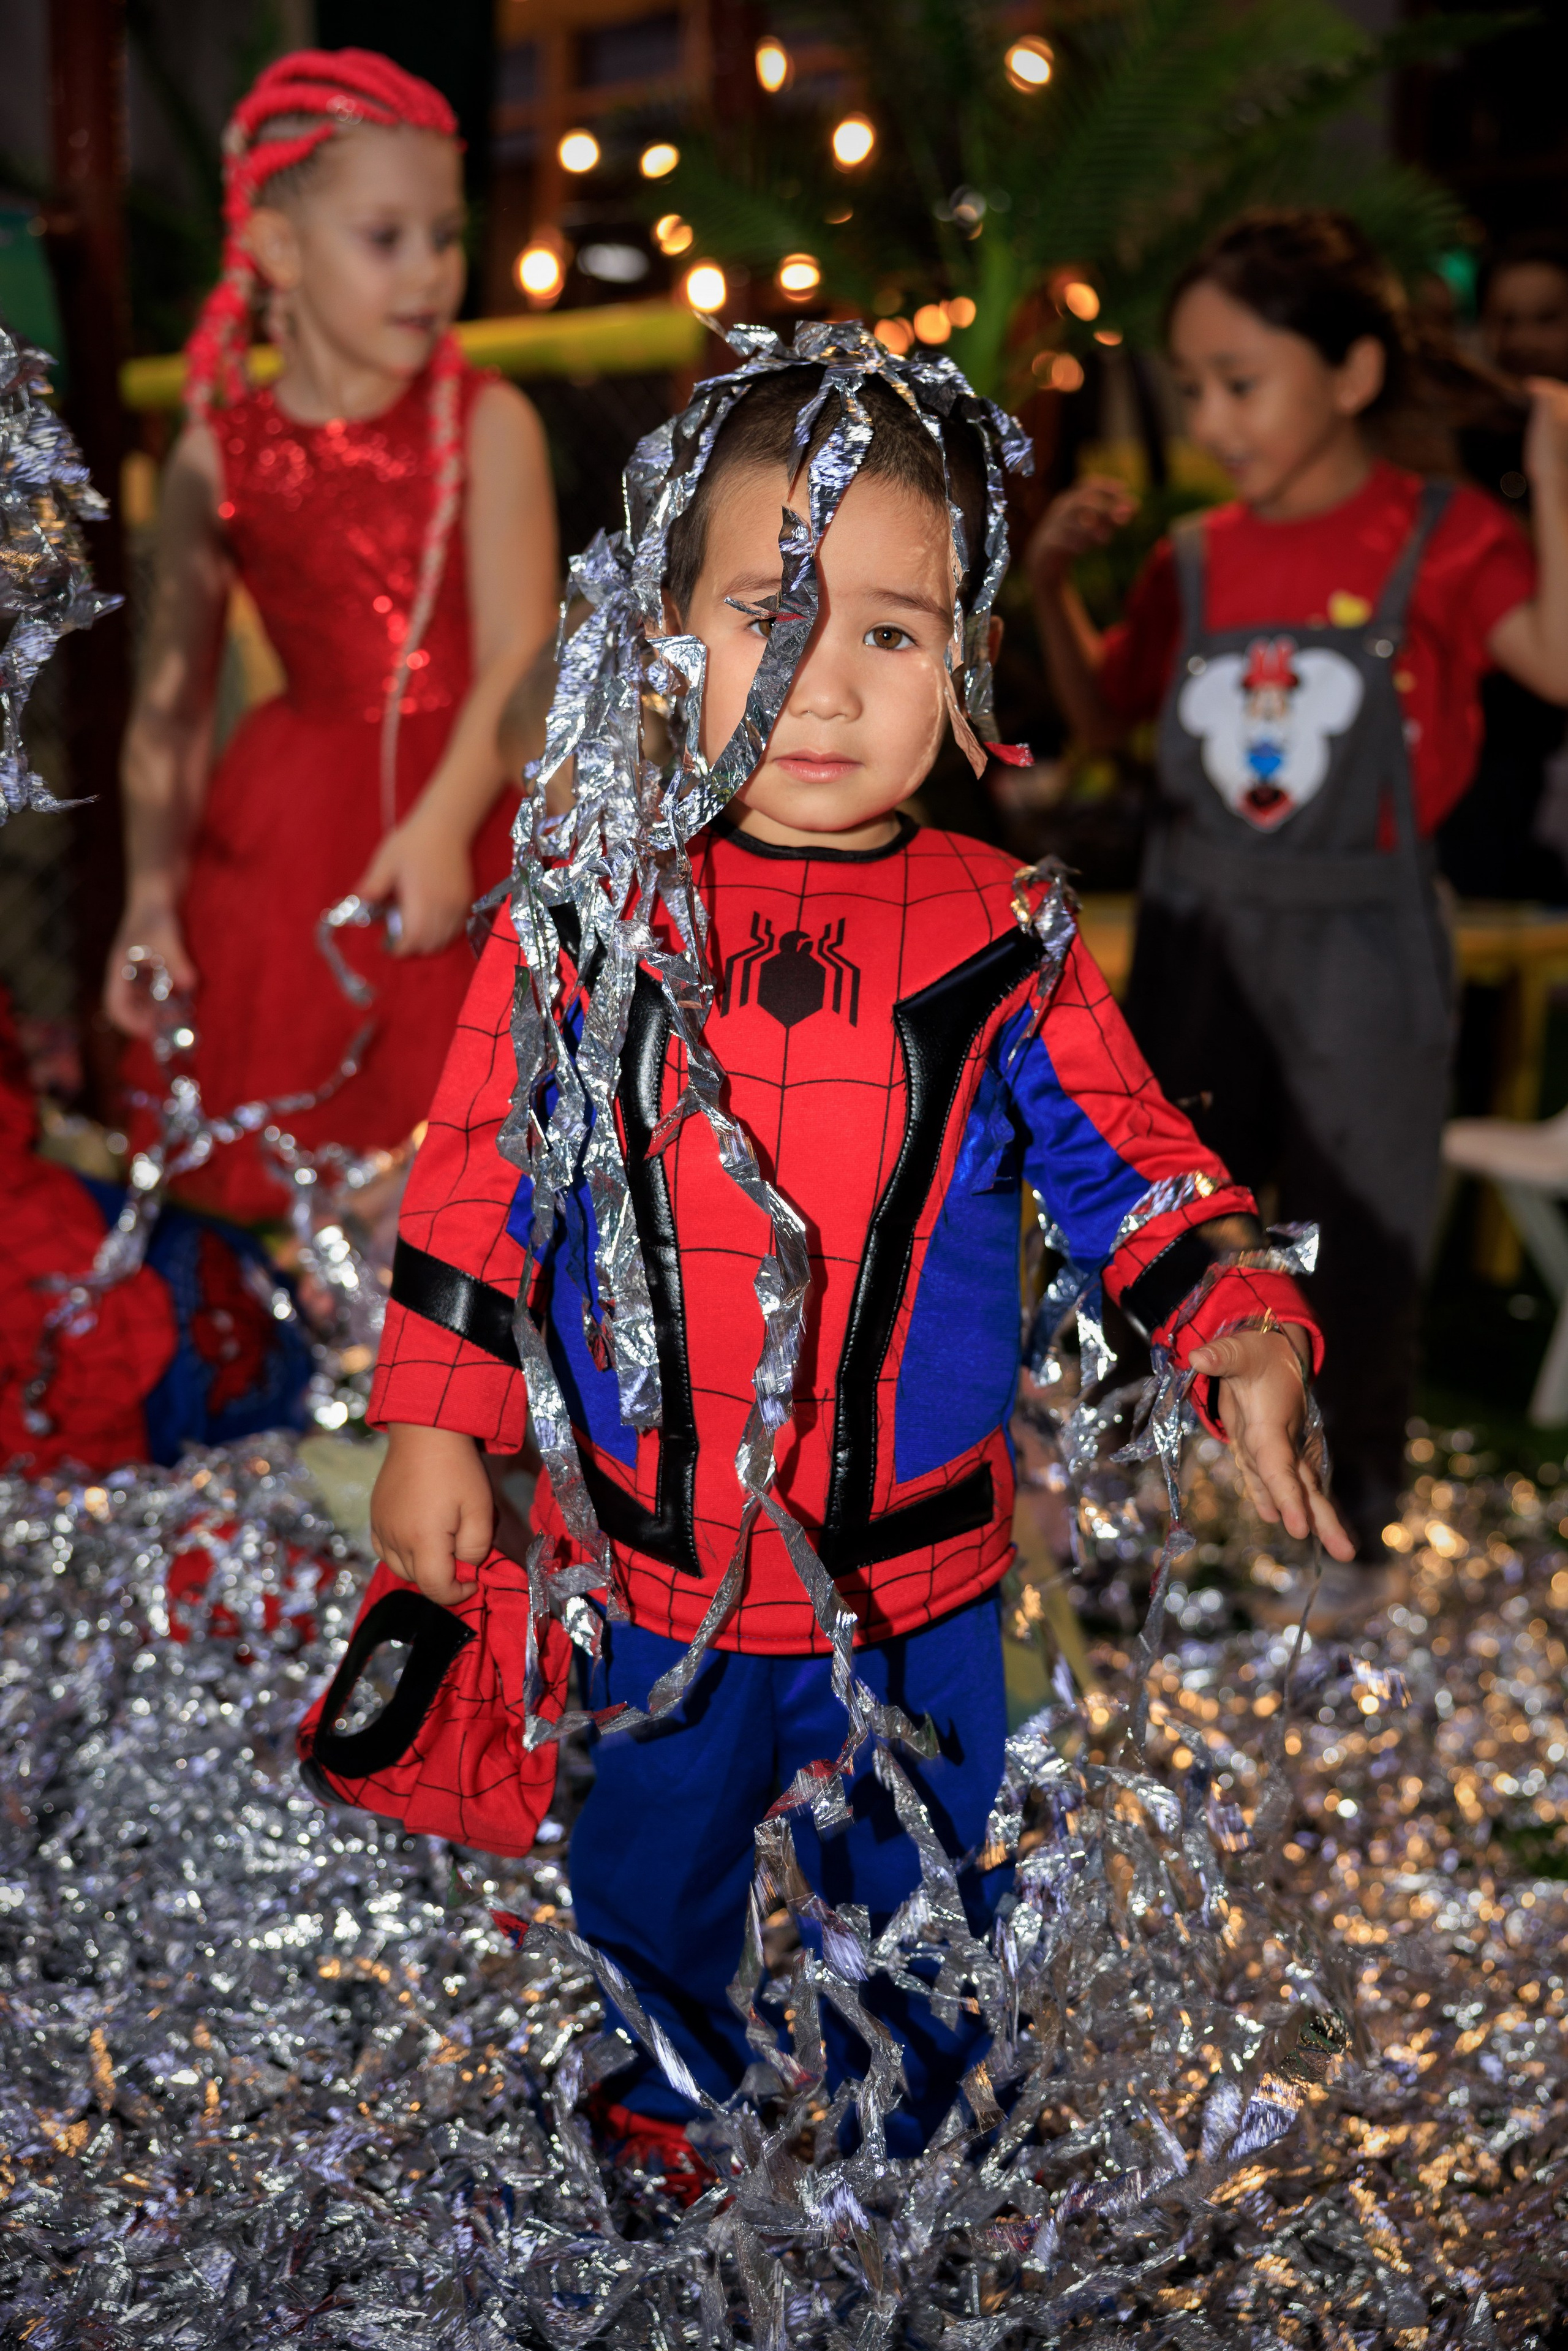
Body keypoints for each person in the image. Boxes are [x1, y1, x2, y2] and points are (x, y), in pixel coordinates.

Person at [299, 327, 1350, 2165]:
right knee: (648, 1856)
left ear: (967, 668)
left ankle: (924, 2133)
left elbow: (1129, 1165)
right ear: (662, 637)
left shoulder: (995, 931)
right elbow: (481, 1169)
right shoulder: (591, 910)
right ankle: (665, 2096)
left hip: (921, 1582)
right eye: (763, 611)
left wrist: (1241, 1319)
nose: (821, 681)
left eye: (890, 628)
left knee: (932, 1882)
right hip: (654, 1570)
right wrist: (430, 1416)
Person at [1027, 209, 1568, 1622]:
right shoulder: (1192, 555)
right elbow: (1108, 727)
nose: (1210, 417)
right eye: (1189, 386)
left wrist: (1558, 472)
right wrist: (1044, 586)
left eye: (1237, 380)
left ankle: (1342, 1555)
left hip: (1363, 949)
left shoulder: (1444, 535)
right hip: (1200, 937)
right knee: (1156, 1234)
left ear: (1349, 373)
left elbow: (1557, 660)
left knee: (1356, 1244)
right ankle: (1132, 1547)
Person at [105, 49, 558, 1223]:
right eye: (386, 237)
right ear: (279, 250)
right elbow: (165, 713)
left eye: (445, 235)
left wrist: (443, 826)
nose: (430, 273)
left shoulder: (492, 422)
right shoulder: (218, 455)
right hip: (288, 835)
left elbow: (521, 655)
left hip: (472, 803)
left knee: (476, 1155)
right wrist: (152, 896)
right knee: (294, 1158)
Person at [1441, 229, 1568, 902]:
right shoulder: (1461, 439)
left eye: (1546, 318)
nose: (1523, 341)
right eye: (1505, 321)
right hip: (1489, 741)